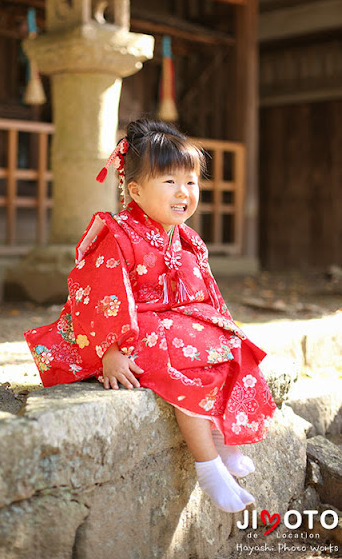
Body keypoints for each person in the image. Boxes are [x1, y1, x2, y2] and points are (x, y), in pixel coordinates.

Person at [25, 119, 276, 513]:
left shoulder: (187, 238)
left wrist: (218, 325)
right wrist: (111, 350)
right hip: (129, 329)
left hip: (175, 323)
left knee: (231, 344)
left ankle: (227, 442)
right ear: (136, 190)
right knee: (187, 361)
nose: (183, 193)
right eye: (169, 182)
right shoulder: (118, 235)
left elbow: (207, 294)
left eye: (190, 182)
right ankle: (207, 465)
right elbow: (97, 295)